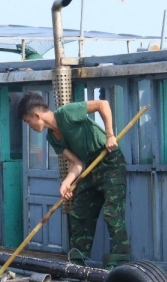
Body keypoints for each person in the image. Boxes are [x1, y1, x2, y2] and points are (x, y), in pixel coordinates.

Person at [17, 92, 130, 270]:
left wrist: (110, 135)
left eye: (27, 121)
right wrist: (66, 183)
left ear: (36, 116)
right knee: (79, 212)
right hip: (90, 166)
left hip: (109, 161)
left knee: (112, 212)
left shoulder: (66, 113)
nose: (28, 126)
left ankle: (120, 260)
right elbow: (76, 163)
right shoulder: (52, 138)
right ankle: (77, 262)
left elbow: (103, 104)